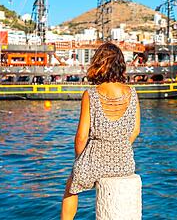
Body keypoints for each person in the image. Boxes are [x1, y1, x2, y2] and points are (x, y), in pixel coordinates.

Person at [61, 42, 141, 219]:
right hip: (124, 162)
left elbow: (81, 137)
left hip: (94, 161)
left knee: (71, 187)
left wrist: (79, 160)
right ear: (120, 64)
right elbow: (135, 130)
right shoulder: (133, 93)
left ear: (98, 64)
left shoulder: (91, 94)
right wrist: (118, 146)